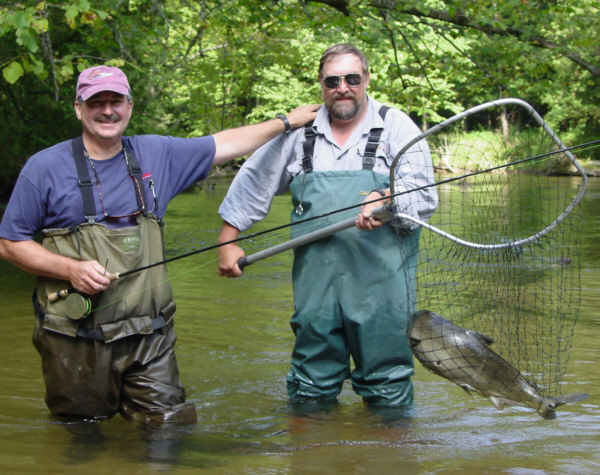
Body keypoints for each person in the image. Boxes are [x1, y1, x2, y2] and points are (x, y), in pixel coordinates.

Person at [0, 65, 319, 425]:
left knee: (169, 431)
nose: (107, 110)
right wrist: (70, 269)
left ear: (130, 106)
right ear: (78, 108)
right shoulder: (43, 168)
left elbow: (227, 143)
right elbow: (9, 243)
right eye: (96, 102)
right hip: (75, 339)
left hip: (149, 338)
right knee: (81, 440)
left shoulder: (157, 153)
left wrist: (286, 121)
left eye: (115, 101)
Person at [217, 44, 438, 412]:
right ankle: (310, 453)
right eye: (333, 81)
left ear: (367, 79)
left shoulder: (396, 126)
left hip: (383, 289)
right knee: (310, 382)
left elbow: (424, 198)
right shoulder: (299, 132)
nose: (343, 87)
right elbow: (253, 181)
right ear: (321, 85)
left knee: (389, 382)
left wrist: (386, 198)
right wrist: (228, 241)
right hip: (315, 289)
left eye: (352, 78)